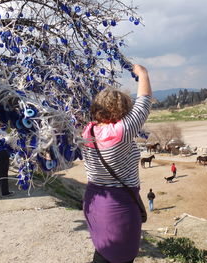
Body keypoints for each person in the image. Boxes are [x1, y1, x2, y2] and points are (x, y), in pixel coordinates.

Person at [82, 64, 152, 263]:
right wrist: (143, 73)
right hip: (118, 207)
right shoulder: (121, 132)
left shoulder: (89, 131)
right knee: (120, 256)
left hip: (94, 201)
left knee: (102, 251)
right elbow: (144, 103)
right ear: (124, 110)